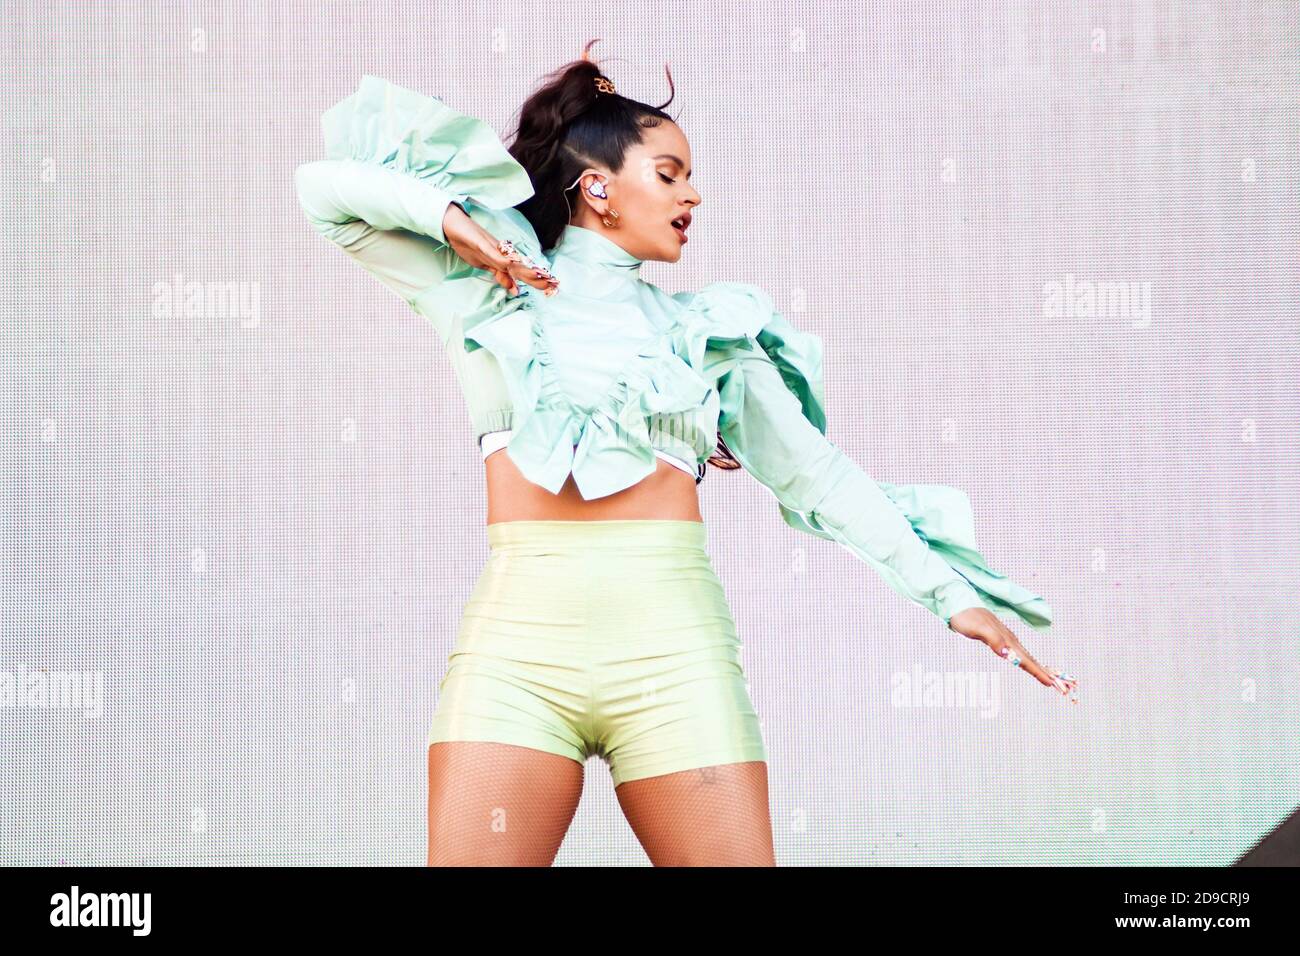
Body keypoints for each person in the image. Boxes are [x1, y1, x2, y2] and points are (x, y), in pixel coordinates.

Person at [293, 42, 1077, 867]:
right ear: (597, 185)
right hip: (514, 662)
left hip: (677, 663)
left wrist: (953, 597)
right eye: (669, 174)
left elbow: (823, 480)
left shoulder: (707, 337)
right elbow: (326, 195)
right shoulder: (486, 288)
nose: (693, 194)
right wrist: (454, 224)